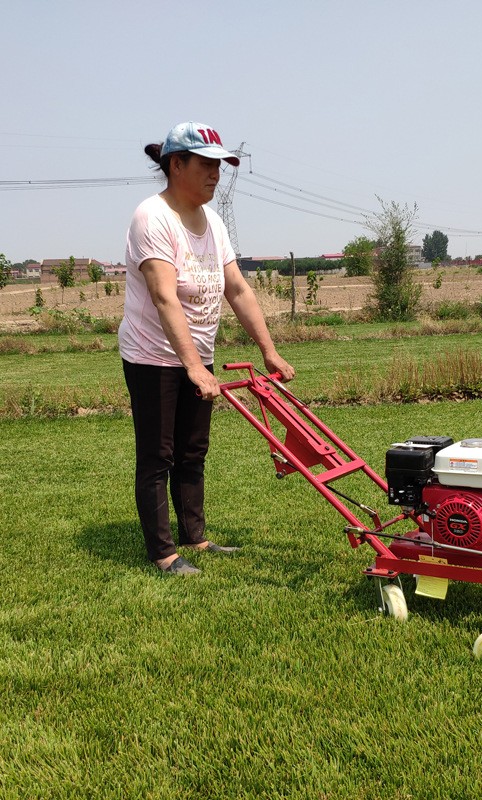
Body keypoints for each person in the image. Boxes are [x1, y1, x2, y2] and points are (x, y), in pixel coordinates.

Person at [119, 121, 295, 575]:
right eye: (206, 164)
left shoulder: (212, 220)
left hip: (197, 355)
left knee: (193, 451)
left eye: (220, 165)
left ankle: (194, 539)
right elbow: (163, 296)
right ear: (177, 165)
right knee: (159, 455)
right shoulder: (152, 217)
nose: (216, 174)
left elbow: (236, 288)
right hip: (153, 356)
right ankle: (163, 553)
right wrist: (194, 367)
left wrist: (269, 351)